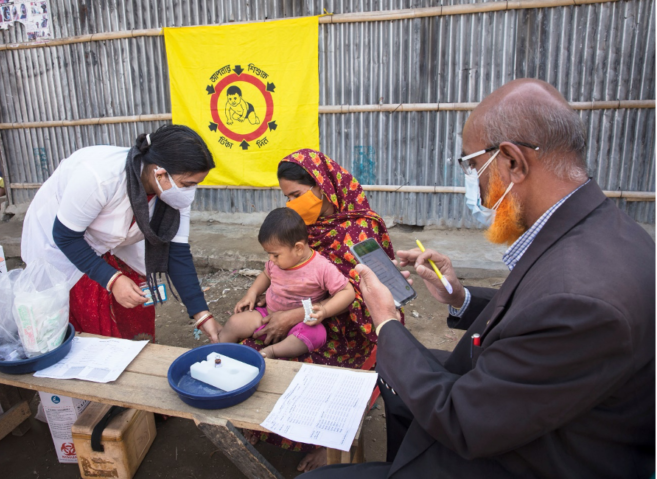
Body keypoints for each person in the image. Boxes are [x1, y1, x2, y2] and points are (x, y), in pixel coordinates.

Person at [302, 79, 656, 478]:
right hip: (539, 408)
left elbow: (464, 421)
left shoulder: (583, 300)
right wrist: (461, 298)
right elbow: (535, 314)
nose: (475, 187)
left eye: (473, 168)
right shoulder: (604, 230)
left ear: (512, 162)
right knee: (395, 382)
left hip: (527, 455)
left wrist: (384, 321)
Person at [236, 149, 404, 472]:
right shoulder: (302, 228)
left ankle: (329, 444)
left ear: (322, 187)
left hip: (351, 326)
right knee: (252, 348)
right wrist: (269, 295)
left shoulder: (359, 228)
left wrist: (296, 315)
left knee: (314, 368)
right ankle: (264, 423)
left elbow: (363, 294)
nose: (291, 205)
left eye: (296, 195)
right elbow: (281, 267)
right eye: (287, 198)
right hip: (307, 315)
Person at [21, 125, 221, 343]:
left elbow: (177, 253)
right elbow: (66, 236)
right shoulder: (100, 177)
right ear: (160, 173)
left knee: (134, 306)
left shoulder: (174, 193)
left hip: (114, 239)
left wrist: (202, 314)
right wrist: (112, 279)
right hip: (65, 240)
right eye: (188, 184)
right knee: (92, 323)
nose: (190, 192)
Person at [217, 208, 356, 359]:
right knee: (234, 322)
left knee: (316, 334)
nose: (271, 259)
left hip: (301, 324)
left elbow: (347, 291)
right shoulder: (276, 263)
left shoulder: (321, 268)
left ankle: (272, 352)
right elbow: (265, 275)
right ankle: (216, 353)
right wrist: (252, 293)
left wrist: (324, 310)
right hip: (266, 317)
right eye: (268, 254)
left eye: (275, 254)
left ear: (298, 248)